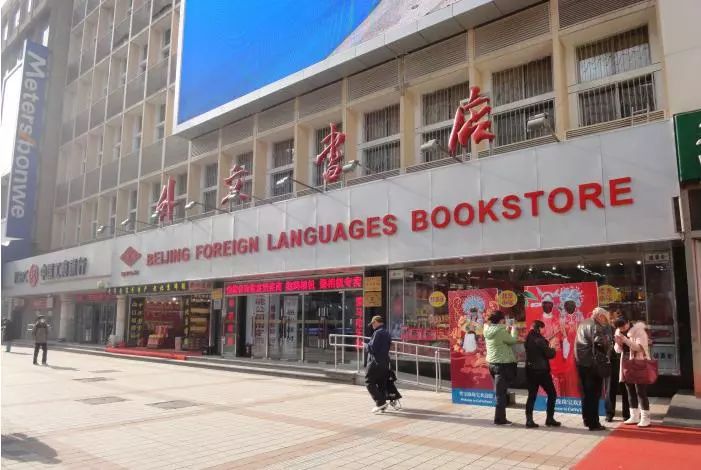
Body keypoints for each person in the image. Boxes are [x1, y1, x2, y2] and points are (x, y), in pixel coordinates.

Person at [574, 307, 612, 431]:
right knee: (594, 395)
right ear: (599, 316)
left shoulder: (583, 323)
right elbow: (600, 344)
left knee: (585, 394)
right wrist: (609, 344)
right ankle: (594, 423)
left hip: (581, 363)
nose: (606, 321)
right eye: (605, 318)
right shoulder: (595, 326)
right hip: (592, 365)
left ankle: (586, 420)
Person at [614, 317, 652, 427]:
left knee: (640, 391)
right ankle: (634, 416)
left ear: (628, 323)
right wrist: (618, 343)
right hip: (626, 363)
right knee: (629, 390)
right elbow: (617, 350)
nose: (622, 329)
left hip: (638, 363)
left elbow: (639, 348)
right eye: (619, 328)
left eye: (623, 326)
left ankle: (646, 417)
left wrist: (625, 339)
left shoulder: (639, 331)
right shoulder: (618, 332)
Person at [525, 320, 561, 428]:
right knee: (552, 394)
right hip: (541, 371)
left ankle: (529, 420)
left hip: (530, 370)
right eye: (543, 328)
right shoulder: (540, 340)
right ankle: (549, 418)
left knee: (531, 395)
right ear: (539, 328)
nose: (544, 331)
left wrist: (546, 341)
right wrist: (553, 348)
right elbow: (549, 354)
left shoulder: (528, 338)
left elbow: (538, 348)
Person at [484, 311, 519, 425]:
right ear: (501, 320)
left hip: (492, 364)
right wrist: (514, 329)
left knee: (499, 392)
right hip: (502, 365)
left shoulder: (487, 329)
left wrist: (506, 331)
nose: (505, 320)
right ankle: (500, 419)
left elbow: (502, 342)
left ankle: (499, 418)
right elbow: (513, 340)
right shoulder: (500, 331)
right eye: (504, 319)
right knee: (501, 394)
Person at [604, 310, 630, 422]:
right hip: (611, 360)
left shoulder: (624, 328)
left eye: (616, 316)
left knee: (625, 387)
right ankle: (609, 413)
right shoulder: (605, 329)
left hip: (624, 360)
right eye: (611, 317)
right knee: (610, 388)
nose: (613, 319)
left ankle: (627, 413)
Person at [365, 315, 392, 414]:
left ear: (376, 322)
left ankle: (380, 403)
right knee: (381, 383)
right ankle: (382, 406)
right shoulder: (387, 332)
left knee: (368, 381)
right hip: (385, 361)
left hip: (375, 362)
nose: (372, 326)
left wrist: (366, 345)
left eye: (373, 323)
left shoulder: (377, 333)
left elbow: (373, 348)